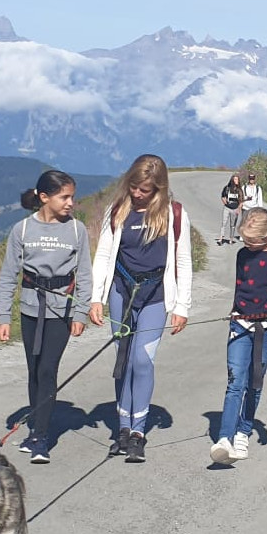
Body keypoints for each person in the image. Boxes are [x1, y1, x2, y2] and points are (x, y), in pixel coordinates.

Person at [89, 154, 192, 463]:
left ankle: (138, 432)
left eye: (144, 189)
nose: (137, 193)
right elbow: (104, 255)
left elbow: (183, 260)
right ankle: (122, 428)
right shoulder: (118, 210)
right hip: (121, 292)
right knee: (123, 360)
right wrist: (96, 297)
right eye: (133, 186)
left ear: (158, 188)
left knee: (141, 361)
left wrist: (182, 306)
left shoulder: (175, 215)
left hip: (156, 295)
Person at [0, 169, 92, 464]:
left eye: (72, 197)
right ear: (44, 197)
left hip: (60, 311)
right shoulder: (22, 230)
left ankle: (40, 436)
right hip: (29, 309)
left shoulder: (77, 230)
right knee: (35, 370)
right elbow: (8, 275)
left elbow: (85, 274)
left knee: (48, 369)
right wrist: (4, 316)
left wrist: (81, 312)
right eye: (64, 197)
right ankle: (35, 426)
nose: (70, 203)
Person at [210, 207, 267, 464]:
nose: (245, 244)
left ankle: (243, 430)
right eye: (244, 239)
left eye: (251, 240)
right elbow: (241, 290)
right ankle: (224, 438)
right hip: (240, 326)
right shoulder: (243, 255)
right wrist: (234, 313)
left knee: (254, 383)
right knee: (235, 380)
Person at [218, 173, 244, 245]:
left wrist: (239, 209)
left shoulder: (239, 190)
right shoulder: (227, 188)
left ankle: (231, 239)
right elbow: (223, 196)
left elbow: (241, 201)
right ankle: (221, 238)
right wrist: (225, 203)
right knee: (224, 223)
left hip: (235, 209)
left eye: (237, 179)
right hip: (227, 208)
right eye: (235, 179)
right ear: (232, 180)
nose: (236, 181)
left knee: (232, 225)